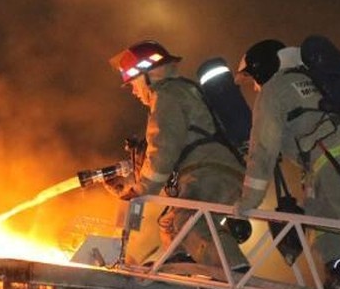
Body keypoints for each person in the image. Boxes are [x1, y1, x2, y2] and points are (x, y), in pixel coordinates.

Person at [233, 38, 340, 289]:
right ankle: (339, 270)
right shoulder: (310, 77)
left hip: (335, 155)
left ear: (262, 69)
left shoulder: (273, 89)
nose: (254, 88)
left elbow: (262, 150)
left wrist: (247, 202)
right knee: (317, 213)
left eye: (253, 79)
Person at [105, 40, 249, 273]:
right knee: (170, 223)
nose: (133, 91)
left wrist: (141, 190)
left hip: (211, 170)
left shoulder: (167, 95)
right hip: (211, 169)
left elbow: (163, 148)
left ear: (148, 75)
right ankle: (182, 262)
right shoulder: (182, 90)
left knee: (190, 220)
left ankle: (236, 271)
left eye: (133, 84)